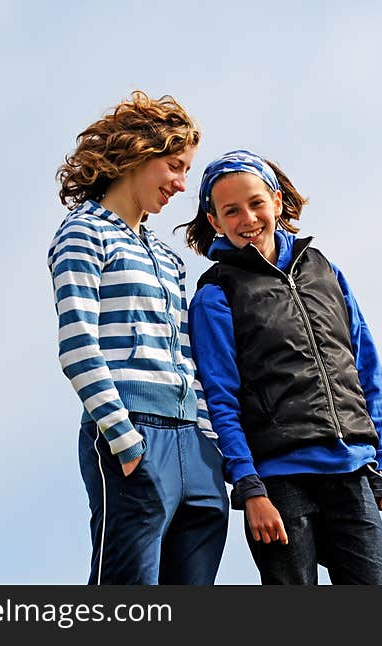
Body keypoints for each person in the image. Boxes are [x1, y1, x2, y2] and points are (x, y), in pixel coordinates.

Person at [177, 149, 382, 584]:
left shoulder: (325, 271)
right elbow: (220, 398)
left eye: (256, 203)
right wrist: (249, 487)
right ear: (215, 221)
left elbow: (366, 365)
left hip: (352, 471)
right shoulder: (215, 295)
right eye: (231, 211)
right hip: (279, 484)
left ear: (277, 202)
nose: (248, 218)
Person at [47, 91, 228, 585]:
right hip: (133, 433)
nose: (181, 184)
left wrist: (210, 444)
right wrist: (125, 442)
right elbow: (78, 346)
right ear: (137, 153)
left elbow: (189, 358)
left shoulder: (169, 259)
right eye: (174, 166)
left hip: (194, 443)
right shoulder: (83, 234)